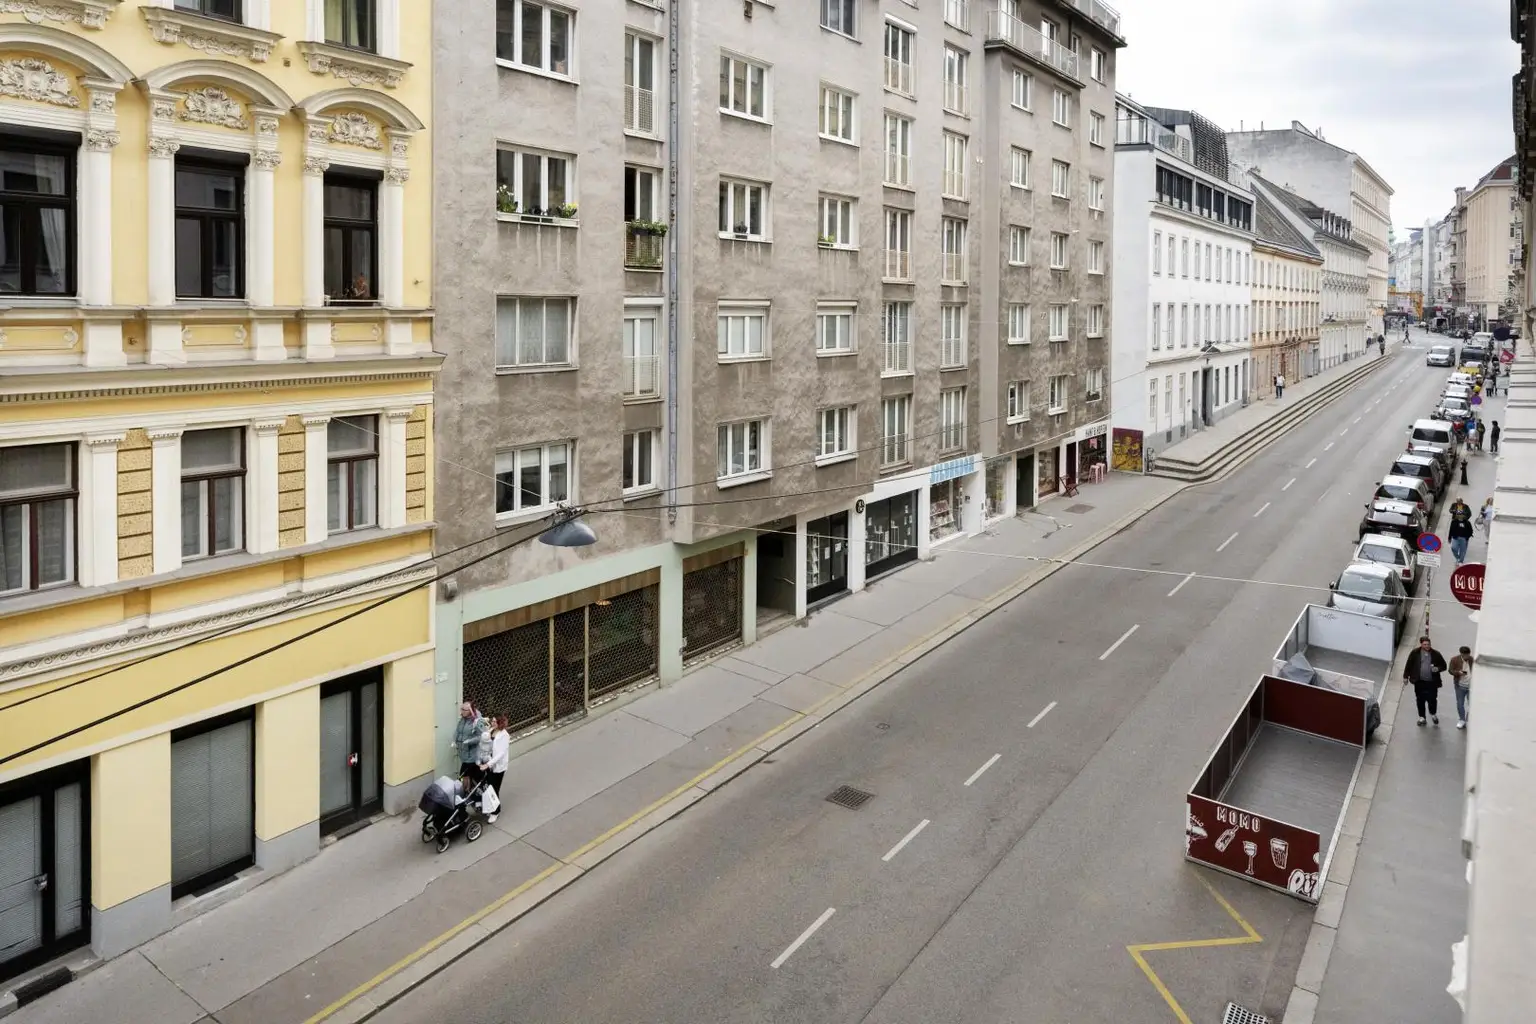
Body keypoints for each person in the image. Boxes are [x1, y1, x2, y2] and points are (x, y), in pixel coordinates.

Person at [1403, 636, 1447, 726]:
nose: (1427, 646)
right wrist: (1405, 676)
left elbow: (1444, 666)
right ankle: (1422, 717)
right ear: (1421, 644)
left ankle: (1433, 713)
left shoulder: (1436, 654)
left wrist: (1437, 669)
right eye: (1425, 644)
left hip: (1432, 682)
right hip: (1419, 681)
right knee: (1420, 699)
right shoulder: (1415, 653)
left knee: (1432, 699)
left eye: (1428, 644)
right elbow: (1409, 664)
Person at [477, 713, 510, 823]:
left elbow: (500, 754)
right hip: (488, 763)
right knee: (487, 787)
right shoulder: (492, 730)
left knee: (494, 788)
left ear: (500, 723)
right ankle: (490, 807)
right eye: (492, 721)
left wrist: (488, 764)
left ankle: (495, 812)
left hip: (497, 767)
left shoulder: (504, 735)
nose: (492, 723)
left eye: (495, 722)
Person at [451, 702, 483, 777]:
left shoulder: (477, 721)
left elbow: (481, 736)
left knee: (463, 777)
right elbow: (458, 731)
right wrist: (454, 740)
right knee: (468, 777)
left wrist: (469, 741)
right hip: (464, 756)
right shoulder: (462, 719)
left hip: (472, 756)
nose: (461, 711)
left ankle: (467, 787)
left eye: (464, 710)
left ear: (470, 711)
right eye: (461, 709)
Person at [1449, 646, 1474, 729]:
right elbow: (1450, 670)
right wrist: (1458, 673)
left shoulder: (1472, 660)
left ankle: (1468, 719)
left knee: (1472, 704)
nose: (1467, 657)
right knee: (1460, 703)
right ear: (1461, 654)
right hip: (1460, 685)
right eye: (1465, 655)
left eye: (1468, 655)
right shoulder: (1454, 660)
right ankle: (1462, 720)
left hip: (1471, 686)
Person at [1448, 498, 1475, 564]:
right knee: (1454, 548)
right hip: (1455, 537)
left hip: (1464, 538)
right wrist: (1449, 537)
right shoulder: (1454, 522)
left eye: (1460, 501)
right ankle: (1458, 558)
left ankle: (1460, 561)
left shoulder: (1467, 522)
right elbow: (1451, 529)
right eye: (1457, 501)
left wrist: (1467, 537)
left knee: (1463, 551)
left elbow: (1470, 530)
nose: (1460, 516)